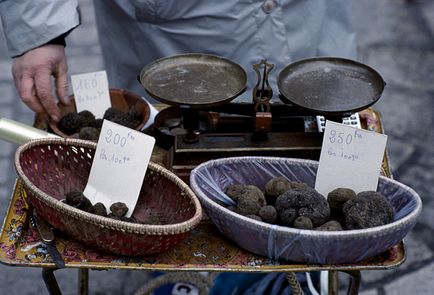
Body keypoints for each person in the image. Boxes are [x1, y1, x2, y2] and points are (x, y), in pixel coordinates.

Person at [0, 0, 356, 122]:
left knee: (308, 125)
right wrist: (41, 29)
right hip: (175, 28)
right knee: (173, 152)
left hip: (304, 19)